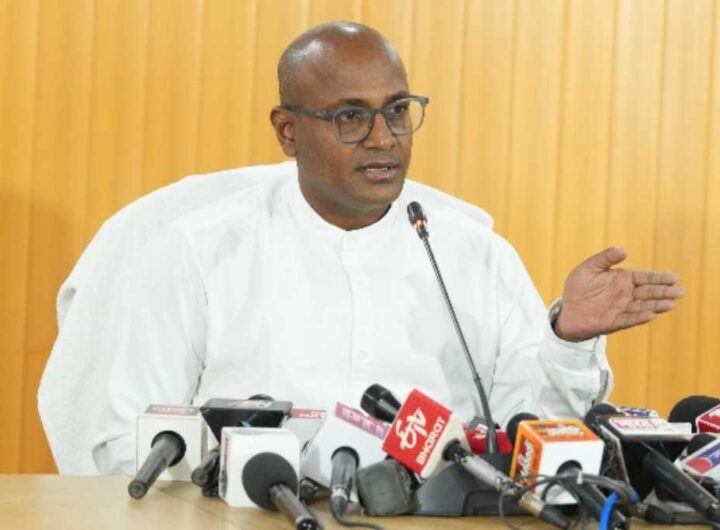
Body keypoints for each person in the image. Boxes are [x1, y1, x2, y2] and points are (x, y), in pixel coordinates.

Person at [75, 22, 683, 474]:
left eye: (396, 111)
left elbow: (529, 434)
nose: (384, 138)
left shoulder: (472, 252)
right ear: (288, 131)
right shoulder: (200, 251)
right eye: (350, 117)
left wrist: (567, 340)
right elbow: (127, 442)